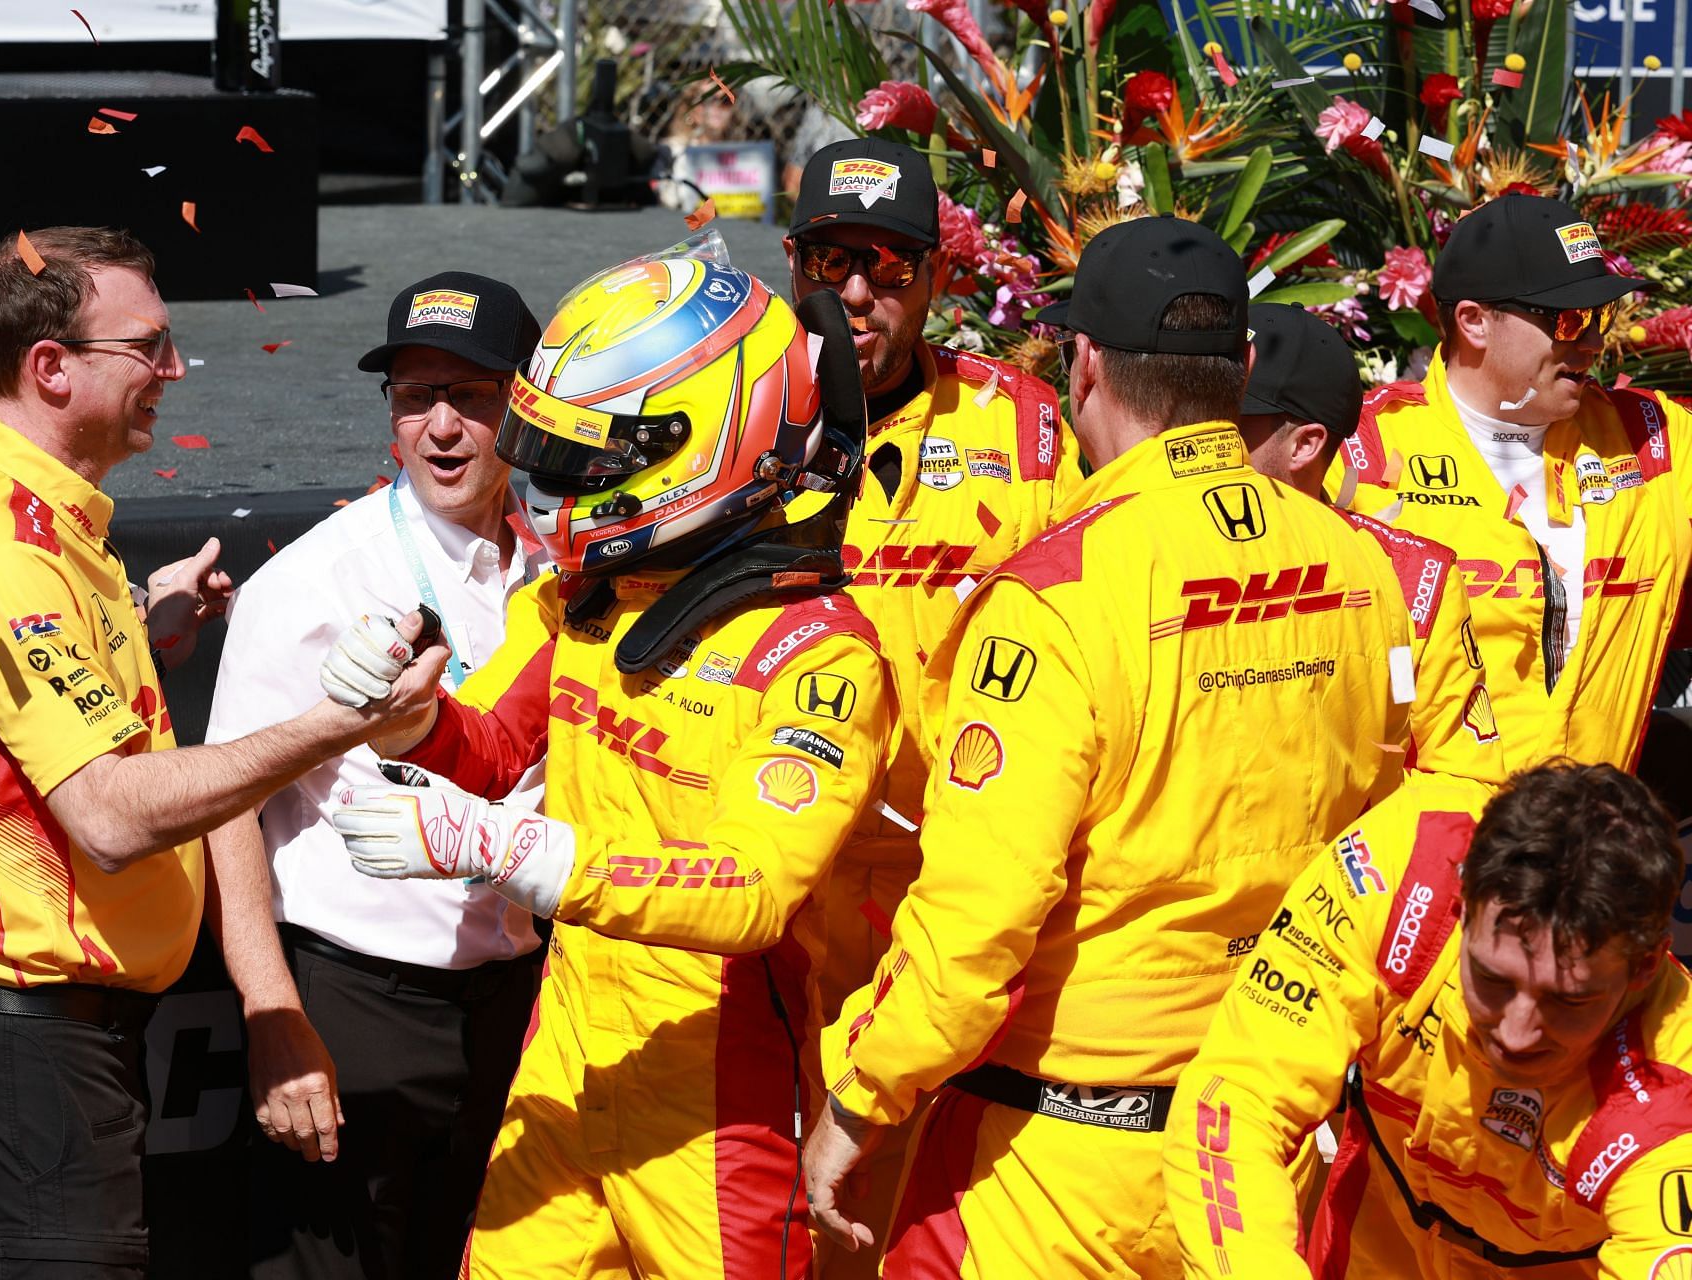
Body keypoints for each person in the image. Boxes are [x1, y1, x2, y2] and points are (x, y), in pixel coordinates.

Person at [803, 216, 1443, 1279]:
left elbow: (974, 928)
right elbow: (1394, 835)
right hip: (1258, 1161)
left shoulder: (1054, 595)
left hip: (1049, 1170)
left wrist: (856, 1097)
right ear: (1240, 367)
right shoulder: (1367, 566)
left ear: (1082, 361)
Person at [328, 248, 896, 1279]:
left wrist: (502, 846)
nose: (545, 488)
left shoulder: (817, 654)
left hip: (720, 1103)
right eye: (541, 448)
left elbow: (755, 889)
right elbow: (489, 748)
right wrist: (403, 716)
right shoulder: (580, 603)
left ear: (696, 448)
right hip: (570, 1056)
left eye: (581, 459)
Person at [0, 226, 436, 1278]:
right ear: (52, 367)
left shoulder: (38, 522)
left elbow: (18, 698)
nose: (174, 371)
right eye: (149, 348)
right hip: (24, 1045)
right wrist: (341, 719)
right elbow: (108, 811)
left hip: (49, 1041)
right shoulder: (7, 555)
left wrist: (145, 619)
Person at [204, 273, 549, 1279]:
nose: (440, 426)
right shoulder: (313, 578)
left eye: (472, 396)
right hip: (356, 1004)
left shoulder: (563, 570)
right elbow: (228, 808)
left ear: (523, 402)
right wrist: (272, 1017)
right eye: (413, 395)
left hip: (519, 1000)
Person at [781, 135, 1081, 1273]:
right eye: (830, 260)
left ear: (941, 280)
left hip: (952, 902)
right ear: (795, 261)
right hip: (779, 886)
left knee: (906, 1211)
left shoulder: (1029, 426)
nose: (856, 291)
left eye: (891, 266)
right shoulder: (740, 412)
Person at [1163, 762, 1692, 1278]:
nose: (1515, 1031)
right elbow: (1238, 1098)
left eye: (1568, 1001)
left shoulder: (1675, 1099)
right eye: (1493, 979)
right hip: (1377, 1234)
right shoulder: (1397, 872)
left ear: (1644, 968)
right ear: (1461, 910)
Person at [1335, 194, 1692, 773]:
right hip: (1433, 846)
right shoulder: (1357, 451)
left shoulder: (1652, 437)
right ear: (1474, 321)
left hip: (1594, 840)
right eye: (1571, 320)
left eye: (1602, 317)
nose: (1594, 343)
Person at [1242, 301, 1506, 786]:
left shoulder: (1411, 580)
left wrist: (1345, 863)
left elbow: (1462, 782)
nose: (1200, 437)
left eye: (1232, 425)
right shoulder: (1144, 549)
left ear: (1305, 445)